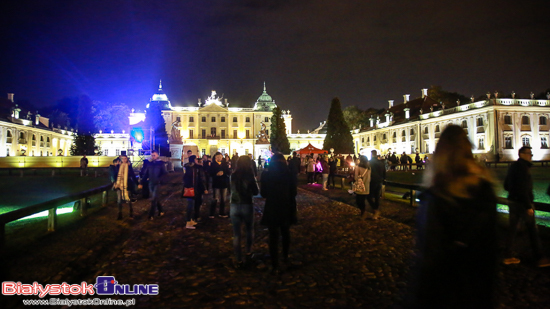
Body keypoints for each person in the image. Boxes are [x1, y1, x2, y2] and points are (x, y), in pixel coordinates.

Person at [410, 125, 498, 308]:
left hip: (443, 291)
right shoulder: (486, 190)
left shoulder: (437, 195)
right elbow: (491, 249)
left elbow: (429, 256)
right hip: (477, 287)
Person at [503, 146, 550, 267]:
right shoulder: (523, 168)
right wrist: (528, 205)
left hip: (513, 202)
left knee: (512, 230)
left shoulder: (513, 166)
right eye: (529, 153)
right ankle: (540, 257)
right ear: (522, 154)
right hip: (522, 204)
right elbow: (523, 189)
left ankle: (507, 255)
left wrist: (513, 194)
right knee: (533, 230)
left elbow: (506, 185)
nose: (531, 156)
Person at [261, 153, 297, 273]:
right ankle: (285, 255)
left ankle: (274, 263)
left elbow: (263, 193)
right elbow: (294, 192)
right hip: (286, 205)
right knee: (285, 232)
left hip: (272, 206)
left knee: (273, 235)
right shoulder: (290, 174)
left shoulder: (266, 174)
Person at [230, 156, 259, 268]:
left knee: (236, 234)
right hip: (247, 204)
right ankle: (248, 252)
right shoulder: (250, 175)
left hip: (234, 205)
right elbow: (256, 192)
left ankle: (238, 259)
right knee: (249, 230)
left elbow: (230, 190)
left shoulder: (233, 175)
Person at [140, 150, 167, 220]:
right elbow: (146, 173)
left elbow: (164, 173)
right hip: (151, 183)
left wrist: (160, 180)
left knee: (153, 199)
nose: (153, 156)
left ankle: (151, 215)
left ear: (157, 155)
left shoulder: (161, 164)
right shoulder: (150, 164)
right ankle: (161, 211)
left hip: (157, 183)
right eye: (152, 155)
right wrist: (141, 182)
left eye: (154, 155)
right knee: (155, 198)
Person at [183, 155, 207, 229]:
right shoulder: (197, 168)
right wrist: (205, 188)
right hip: (195, 189)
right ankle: (188, 222)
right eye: (196, 159)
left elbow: (184, 178)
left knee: (191, 204)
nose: (197, 160)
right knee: (191, 205)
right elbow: (201, 179)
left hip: (189, 188)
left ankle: (190, 220)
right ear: (194, 160)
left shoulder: (187, 167)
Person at [112, 155, 137, 220]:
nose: (124, 160)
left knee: (128, 199)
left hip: (127, 185)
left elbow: (133, 175)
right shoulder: (117, 166)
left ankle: (131, 213)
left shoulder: (129, 166)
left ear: (127, 159)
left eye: (125, 159)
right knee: (119, 200)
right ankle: (119, 214)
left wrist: (137, 183)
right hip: (119, 185)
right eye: (122, 159)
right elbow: (114, 175)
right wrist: (115, 182)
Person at [209, 152, 230, 218]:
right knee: (215, 198)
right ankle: (212, 213)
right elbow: (210, 173)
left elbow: (228, 172)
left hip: (224, 183)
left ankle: (222, 212)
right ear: (215, 158)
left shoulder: (225, 164)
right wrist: (216, 174)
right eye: (218, 157)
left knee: (223, 199)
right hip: (216, 184)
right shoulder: (212, 164)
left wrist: (224, 173)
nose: (219, 158)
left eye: (220, 157)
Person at [367, 150, 386, 220]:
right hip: (379, 180)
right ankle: (376, 210)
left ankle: (375, 210)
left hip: (372, 181)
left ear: (371, 154)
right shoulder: (381, 163)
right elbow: (384, 171)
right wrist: (384, 179)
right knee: (377, 196)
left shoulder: (370, 162)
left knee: (369, 196)